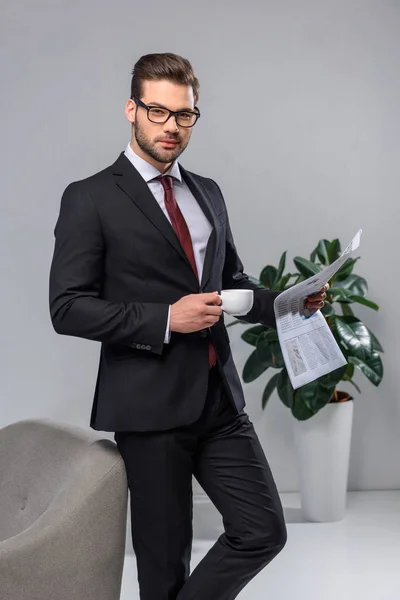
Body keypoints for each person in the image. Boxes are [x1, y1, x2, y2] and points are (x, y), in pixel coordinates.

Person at [49, 52, 328, 600]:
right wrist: (165, 319)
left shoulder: (208, 192)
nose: (171, 126)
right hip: (149, 411)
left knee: (263, 531)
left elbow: (231, 282)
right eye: (157, 111)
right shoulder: (90, 197)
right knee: (163, 569)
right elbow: (67, 307)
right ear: (131, 109)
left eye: (184, 115)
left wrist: (288, 302)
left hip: (220, 402)